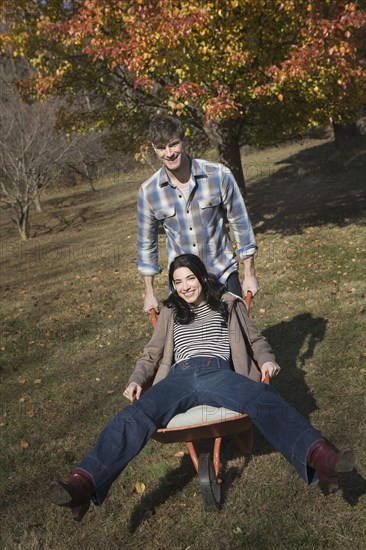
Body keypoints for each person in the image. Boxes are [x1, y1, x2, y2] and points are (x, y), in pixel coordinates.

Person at [49, 254, 354, 522]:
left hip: (218, 372)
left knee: (264, 398)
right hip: (179, 377)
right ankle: (82, 484)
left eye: (190, 278)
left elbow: (256, 341)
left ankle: (322, 458)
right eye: (177, 281)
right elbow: (152, 354)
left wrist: (266, 361)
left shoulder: (229, 304)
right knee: (134, 416)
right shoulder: (170, 311)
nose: (184, 286)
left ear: (201, 276)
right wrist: (135, 379)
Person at [137, 115, 259, 313]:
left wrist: (250, 273)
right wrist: (149, 292)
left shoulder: (218, 174)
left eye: (173, 144)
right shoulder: (148, 192)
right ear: (154, 149)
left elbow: (241, 223)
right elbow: (146, 245)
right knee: (195, 344)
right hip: (184, 288)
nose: (168, 153)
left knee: (238, 340)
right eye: (161, 148)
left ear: (184, 142)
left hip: (222, 274)